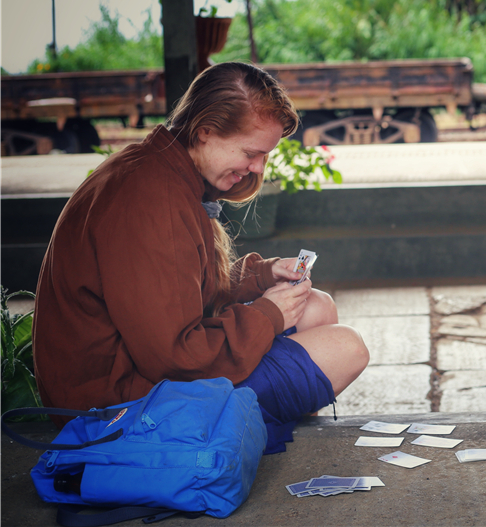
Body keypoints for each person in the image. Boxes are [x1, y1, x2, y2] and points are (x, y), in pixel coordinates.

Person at [32, 62, 369, 453]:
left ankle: (249, 438)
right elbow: (176, 359)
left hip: (139, 378)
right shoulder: (151, 200)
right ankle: (224, 449)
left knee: (316, 307)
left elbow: (179, 287)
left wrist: (261, 275)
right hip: (117, 412)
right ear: (205, 130)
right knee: (348, 348)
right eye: (251, 152)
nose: (258, 168)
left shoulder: (161, 169)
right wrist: (266, 313)